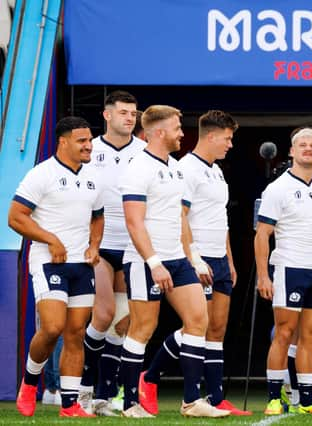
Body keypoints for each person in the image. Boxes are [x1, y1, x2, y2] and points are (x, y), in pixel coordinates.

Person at [117, 105, 229, 418]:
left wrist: (193, 257)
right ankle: (129, 404)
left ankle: (191, 402)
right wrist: (154, 262)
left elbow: (179, 219)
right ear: (160, 132)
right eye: (178, 128)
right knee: (142, 327)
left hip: (179, 260)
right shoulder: (139, 167)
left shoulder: (175, 168)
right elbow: (133, 222)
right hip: (144, 262)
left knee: (198, 320)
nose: (183, 134)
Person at [136, 110, 250, 416]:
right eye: (227, 139)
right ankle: (151, 376)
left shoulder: (217, 171)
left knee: (217, 328)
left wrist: (229, 257)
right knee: (196, 324)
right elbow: (180, 217)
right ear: (211, 136)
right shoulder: (186, 168)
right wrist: (194, 258)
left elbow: (220, 217)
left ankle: (216, 397)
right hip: (197, 257)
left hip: (220, 257)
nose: (230, 145)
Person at [10, 116, 103, 418]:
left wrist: (94, 245)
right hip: (49, 263)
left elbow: (98, 217)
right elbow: (16, 217)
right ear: (63, 142)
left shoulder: (93, 178)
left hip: (82, 266)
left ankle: (69, 405)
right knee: (51, 329)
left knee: (76, 333)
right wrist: (51, 240)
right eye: (82, 141)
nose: (89, 146)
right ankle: (30, 382)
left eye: (89, 140)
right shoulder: (41, 174)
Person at [255, 127, 312, 415]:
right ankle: (274, 398)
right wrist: (263, 275)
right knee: (284, 333)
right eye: (302, 145)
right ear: (292, 152)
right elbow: (262, 235)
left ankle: (307, 401)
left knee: (310, 335)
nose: (308, 149)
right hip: (288, 268)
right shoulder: (277, 188)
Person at [78, 90, 145, 416]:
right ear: (107, 115)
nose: (129, 118)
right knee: (102, 316)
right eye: (123, 112)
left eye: (133, 113)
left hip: (134, 245)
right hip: (101, 245)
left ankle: (105, 396)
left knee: (123, 325)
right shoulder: (90, 149)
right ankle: (84, 390)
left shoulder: (145, 152)